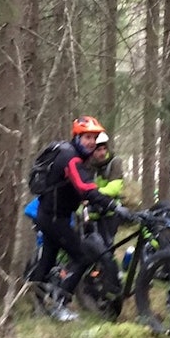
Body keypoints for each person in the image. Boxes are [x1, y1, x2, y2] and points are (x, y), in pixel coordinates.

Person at [29, 116, 134, 321]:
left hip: (50, 215)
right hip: (54, 219)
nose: (91, 142)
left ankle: (37, 306)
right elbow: (86, 188)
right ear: (77, 136)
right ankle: (60, 304)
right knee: (81, 257)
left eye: (94, 138)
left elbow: (74, 189)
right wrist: (113, 206)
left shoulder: (70, 153)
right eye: (87, 137)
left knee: (47, 259)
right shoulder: (71, 158)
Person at [87, 132, 127, 246]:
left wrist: (92, 194)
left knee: (106, 248)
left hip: (110, 213)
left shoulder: (115, 162)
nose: (102, 153)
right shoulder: (88, 165)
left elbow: (114, 187)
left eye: (104, 149)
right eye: (98, 150)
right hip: (91, 213)